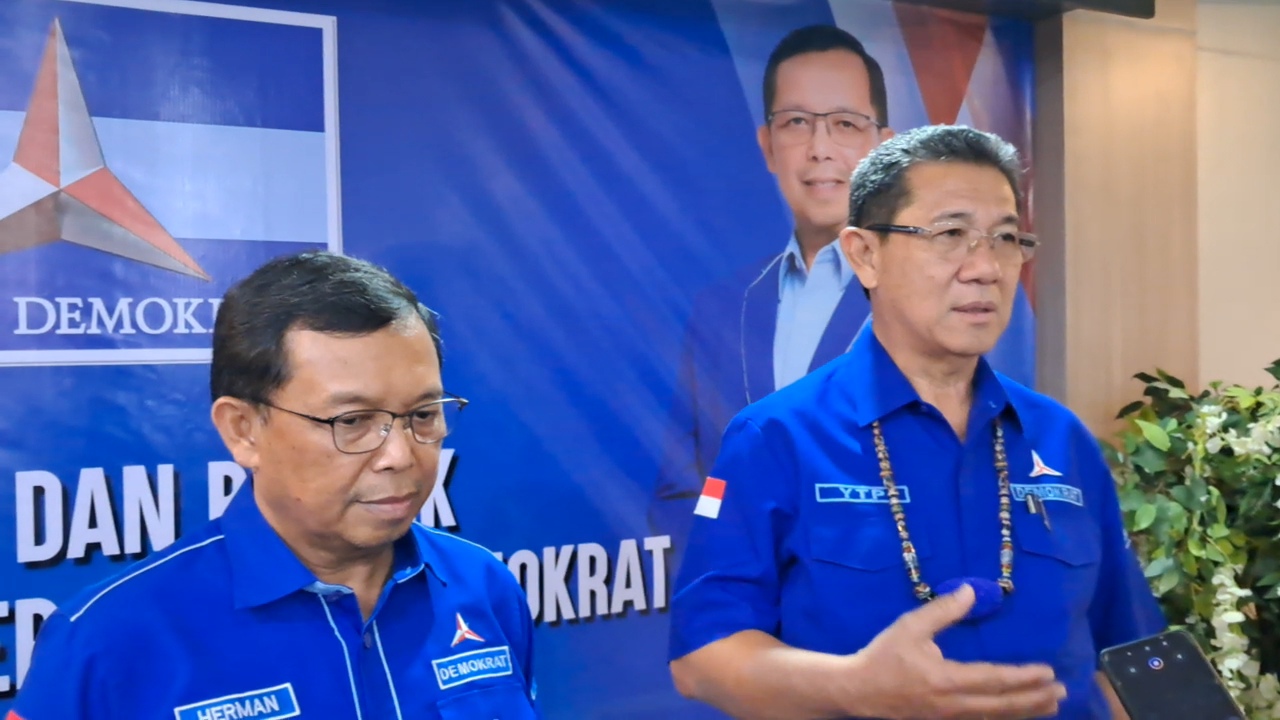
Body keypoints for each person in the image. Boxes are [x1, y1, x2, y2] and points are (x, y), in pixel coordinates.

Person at [667, 125, 1166, 719]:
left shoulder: (1060, 438)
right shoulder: (776, 438)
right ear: (865, 255)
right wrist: (851, 685)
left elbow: (1128, 654)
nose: (986, 268)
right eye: (951, 234)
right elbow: (702, 658)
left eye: (1006, 238)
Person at [12, 252, 541, 719]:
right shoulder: (108, 641)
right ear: (243, 430)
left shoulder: (483, 587)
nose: (400, 455)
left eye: (423, 414)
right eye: (352, 421)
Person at [649, 25, 1037, 557]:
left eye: (846, 124)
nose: (820, 149)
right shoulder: (722, 306)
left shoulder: (930, 302)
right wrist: (730, 583)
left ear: (884, 146)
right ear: (767, 144)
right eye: (796, 122)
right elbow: (678, 491)